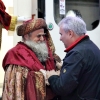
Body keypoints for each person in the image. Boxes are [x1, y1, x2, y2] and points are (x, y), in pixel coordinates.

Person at [2, 18, 62, 100]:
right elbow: (16, 88)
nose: (42, 39)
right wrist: (47, 76)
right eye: (38, 36)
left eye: (43, 35)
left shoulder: (46, 52)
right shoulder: (15, 54)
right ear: (26, 36)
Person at [46, 16, 100, 100]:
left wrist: (52, 77)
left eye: (61, 34)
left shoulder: (76, 54)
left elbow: (62, 88)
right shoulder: (92, 47)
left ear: (70, 33)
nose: (60, 38)